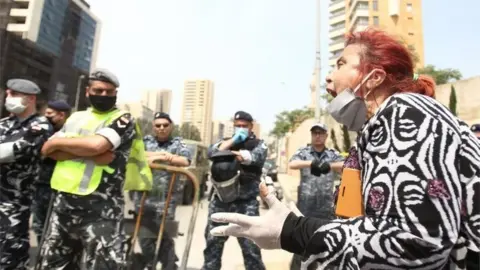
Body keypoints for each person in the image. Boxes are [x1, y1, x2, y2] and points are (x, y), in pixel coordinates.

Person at [208, 28, 480, 269]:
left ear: (373, 78)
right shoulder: (378, 128)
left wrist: (294, 231)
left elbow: (417, 242)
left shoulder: (406, 113)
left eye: (340, 64)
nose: (328, 79)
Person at [40, 68, 151, 269]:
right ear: (87, 92)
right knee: (54, 265)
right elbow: (49, 150)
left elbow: (98, 146)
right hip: (64, 205)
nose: (104, 96)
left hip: (101, 210)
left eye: (110, 92)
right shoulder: (75, 118)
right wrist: (84, 151)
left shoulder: (123, 119)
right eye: (98, 91)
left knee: (103, 266)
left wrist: (64, 144)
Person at [202, 111, 268, 270]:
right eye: (238, 126)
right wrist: (233, 142)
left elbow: (254, 157)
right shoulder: (226, 141)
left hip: (246, 204)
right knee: (213, 245)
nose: (241, 129)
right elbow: (211, 153)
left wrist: (229, 153)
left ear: (251, 126)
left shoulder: (259, 144)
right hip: (221, 201)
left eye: (244, 126)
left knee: (251, 248)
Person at [0, 79, 53, 269]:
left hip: (15, 203)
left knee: (9, 255)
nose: (8, 97)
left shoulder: (40, 126)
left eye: (13, 94)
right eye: (8, 93)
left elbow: (19, 149)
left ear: (30, 99)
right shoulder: (5, 123)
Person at [131, 112, 191, 269]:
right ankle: (150, 262)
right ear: (153, 127)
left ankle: (170, 265)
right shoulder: (146, 141)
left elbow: (185, 160)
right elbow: (136, 155)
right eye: (158, 125)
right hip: (144, 197)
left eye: (165, 125)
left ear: (170, 127)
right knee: (144, 235)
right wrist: (161, 155)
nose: (162, 128)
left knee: (164, 236)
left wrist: (163, 158)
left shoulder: (178, 143)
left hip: (166, 199)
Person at [287, 123, 344, 270]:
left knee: (326, 243)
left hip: (326, 207)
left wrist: (330, 165)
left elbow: (346, 165)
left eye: (321, 133)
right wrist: (310, 163)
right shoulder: (304, 151)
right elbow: (292, 164)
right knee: (301, 242)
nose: (317, 136)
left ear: (325, 135)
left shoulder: (332, 153)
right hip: (306, 207)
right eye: (315, 133)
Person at [31, 100, 71, 243]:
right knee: (38, 224)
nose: (46, 117)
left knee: (55, 225)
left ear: (61, 115)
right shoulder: (44, 130)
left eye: (49, 114)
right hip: (40, 182)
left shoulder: (70, 133)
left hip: (58, 185)